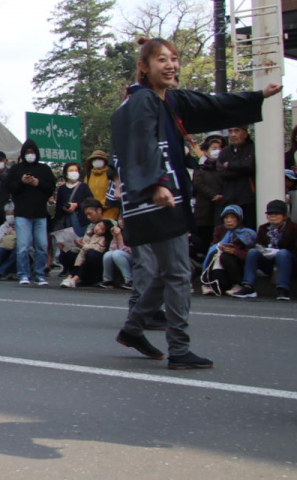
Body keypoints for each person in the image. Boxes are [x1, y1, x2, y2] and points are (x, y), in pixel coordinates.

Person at [111, 36, 279, 369]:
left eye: (174, 58)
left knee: (167, 271)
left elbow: (211, 105)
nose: (170, 65)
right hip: (157, 194)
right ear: (144, 66)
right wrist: (157, 183)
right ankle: (179, 349)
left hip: (154, 193)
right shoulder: (143, 100)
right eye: (161, 59)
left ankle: (133, 328)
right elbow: (143, 143)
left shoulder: (169, 99)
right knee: (177, 272)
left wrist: (258, 96)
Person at [6, 140, 56, 286]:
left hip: (40, 213)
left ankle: (39, 274)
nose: (30, 155)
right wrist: (21, 181)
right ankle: (23, 274)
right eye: (27, 152)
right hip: (22, 214)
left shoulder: (44, 169)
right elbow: (9, 187)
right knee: (23, 246)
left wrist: (38, 183)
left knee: (42, 246)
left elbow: (51, 188)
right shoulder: (16, 169)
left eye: (32, 152)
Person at [228, 199, 295, 301]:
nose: (273, 216)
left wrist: (278, 252)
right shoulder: (263, 228)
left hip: (290, 264)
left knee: (283, 254)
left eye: (276, 214)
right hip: (270, 263)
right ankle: (248, 286)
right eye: (270, 214)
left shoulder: (294, 228)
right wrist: (265, 251)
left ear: (284, 216)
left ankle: (282, 288)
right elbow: (259, 245)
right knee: (253, 252)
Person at [199, 205, 256, 295]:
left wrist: (235, 251)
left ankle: (238, 284)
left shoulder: (247, 233)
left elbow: (249, 255)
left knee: (224, 256)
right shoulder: (219, 230)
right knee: (215, 252)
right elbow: (213, 246)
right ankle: (209, 283)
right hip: (220, 263)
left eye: (232, 217)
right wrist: (220, 246)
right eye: (226, 218)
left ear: (239, 219)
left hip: (238, 264)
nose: (229, 220)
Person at [61, 202, 112, 288]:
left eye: (90, 214)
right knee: (68, 253)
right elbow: (85, 241)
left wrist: (85, 246)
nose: (88, 217)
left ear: (99, 210)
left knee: (90, 254)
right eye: (86, 215)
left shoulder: (109, 223)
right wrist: (70, 245)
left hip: (100, 252)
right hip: (86, 248)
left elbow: (105, 245)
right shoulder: (91, 226)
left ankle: (79, 278)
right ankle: (73, 277)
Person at [191, 134, 225, 257]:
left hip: (220, 206)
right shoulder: (200, 169)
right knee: (204, 236)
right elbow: (198, 185)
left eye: (219, 148)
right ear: (206, 151)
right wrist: (213, 195)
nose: (217, 151)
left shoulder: (224, 169)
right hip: (204, 209)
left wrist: (222, 195)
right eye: (214, 148)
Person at [217, 126, 256, 228]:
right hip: (229, 200)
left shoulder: (253, 148)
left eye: (237, 131)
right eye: (230, 131)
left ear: (245, 134)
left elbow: (250, 165)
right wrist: (242, 169)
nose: (233, 134)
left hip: (248, 199)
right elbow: (221, 172)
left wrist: (230, 165)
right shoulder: (225, 152)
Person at [83, 151, 119, 220]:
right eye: (94, 159)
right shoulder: (88, 176)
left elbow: (114, 191)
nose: (97, 161)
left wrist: (100, 205)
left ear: (105, 161)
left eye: (99, 159)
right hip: (93, 214)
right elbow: (85, 193)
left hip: (110, 212)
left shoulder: (111, 173)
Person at [99, 223, 133, 290]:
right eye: (119, 219)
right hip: (121, 257)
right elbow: (112, 249)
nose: (121, 222)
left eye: (122, 220)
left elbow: (129, 250)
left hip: (133, 257)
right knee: (108, 254)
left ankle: (130, 280)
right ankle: (108, 280)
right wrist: (115, 237)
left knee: (117, 253)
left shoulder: (130, 232)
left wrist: (119, 237)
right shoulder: (119, 232)